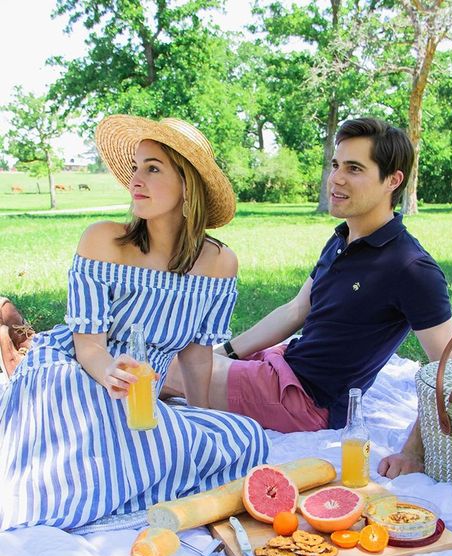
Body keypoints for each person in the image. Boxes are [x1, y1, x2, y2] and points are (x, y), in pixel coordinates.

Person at [0, 115, 269, 531]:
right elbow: (88, 346)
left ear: (187, 185)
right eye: (136, 167)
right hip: (75, 373)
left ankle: (133, 461)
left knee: (245, 437)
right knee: (91, 406)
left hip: (140, 398)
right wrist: (109, 371)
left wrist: (196, 422)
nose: (135, 180)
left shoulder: (220, 263)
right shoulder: (104, 241)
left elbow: (197, 357)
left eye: (153, 168)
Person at [163, 117, 452, 479]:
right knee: (172, 355)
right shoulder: (341, 238)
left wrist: (414, 452)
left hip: (306, 401)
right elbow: (296, 309)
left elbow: (450, 370)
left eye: (354, 169)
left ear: (393, 180)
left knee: (159, 369)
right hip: (284, 364)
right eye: (336, 165)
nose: (335, 178)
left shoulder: (411, 268)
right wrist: (225, 352)